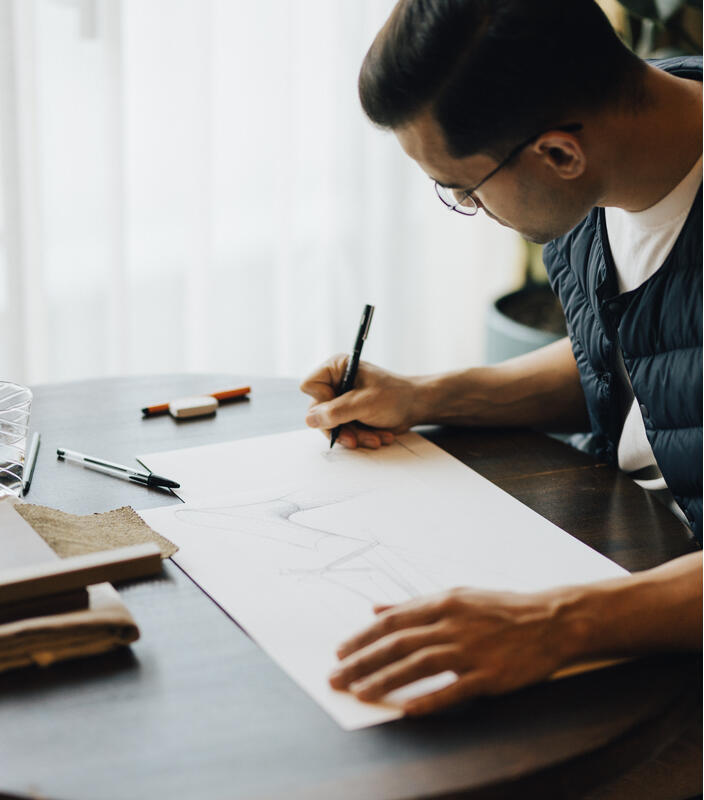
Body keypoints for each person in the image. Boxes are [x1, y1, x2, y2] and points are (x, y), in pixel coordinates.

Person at [300, 0, 702, 721]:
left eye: (463, 189)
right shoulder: (629, 141)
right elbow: (642, 359)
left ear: (558, 154)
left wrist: (556, 623)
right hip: (628, 555)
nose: (464, 206)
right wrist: (426, 395)